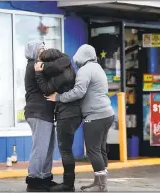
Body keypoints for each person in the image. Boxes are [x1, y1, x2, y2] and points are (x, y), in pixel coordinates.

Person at [46, 44, 115, 192]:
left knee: (93, 150)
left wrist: (59, 97)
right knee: (100, 149)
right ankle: (99, 182)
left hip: (95, 115)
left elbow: (78, 91)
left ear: (81, 56)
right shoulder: (98, 68)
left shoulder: (85, 70)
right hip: (107, 113)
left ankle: (101, 186)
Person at [34, 49, 82, 192]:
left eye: (44, 62)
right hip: (73, 113)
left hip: (67, 114)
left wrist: (38, 72)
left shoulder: (60, 76)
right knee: (67, 149)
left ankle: (68, 185)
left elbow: (46, 89)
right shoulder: (67, 67)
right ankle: (68, 183)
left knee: (65, 150)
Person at [24, 40, 57, 192]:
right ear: (34, 51)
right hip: (38, 112)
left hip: (45, 113)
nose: (43, 51)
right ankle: (34, 180)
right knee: (40, 147)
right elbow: (47, 85)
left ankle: (45, 177)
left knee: (48, 147)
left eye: (44, 49)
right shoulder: (34, 66)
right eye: (41, 49)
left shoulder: (38, 65)